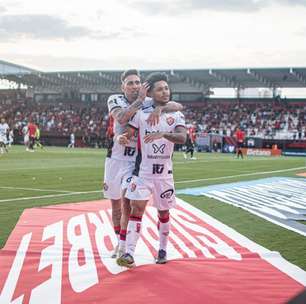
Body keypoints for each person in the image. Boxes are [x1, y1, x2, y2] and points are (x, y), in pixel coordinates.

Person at [103, 69, 183, 258]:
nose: (134, 86)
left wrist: (160, 108)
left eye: (137, 82)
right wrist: (140, 100)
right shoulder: (115, 99)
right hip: (116, 157)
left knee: (127, 203)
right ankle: (119, 242)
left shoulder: (148, 101)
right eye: (130, 83)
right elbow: (122, 118)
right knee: (115, 204)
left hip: (135, 160)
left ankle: (125, 248)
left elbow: (177, 105)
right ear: (122, 86)